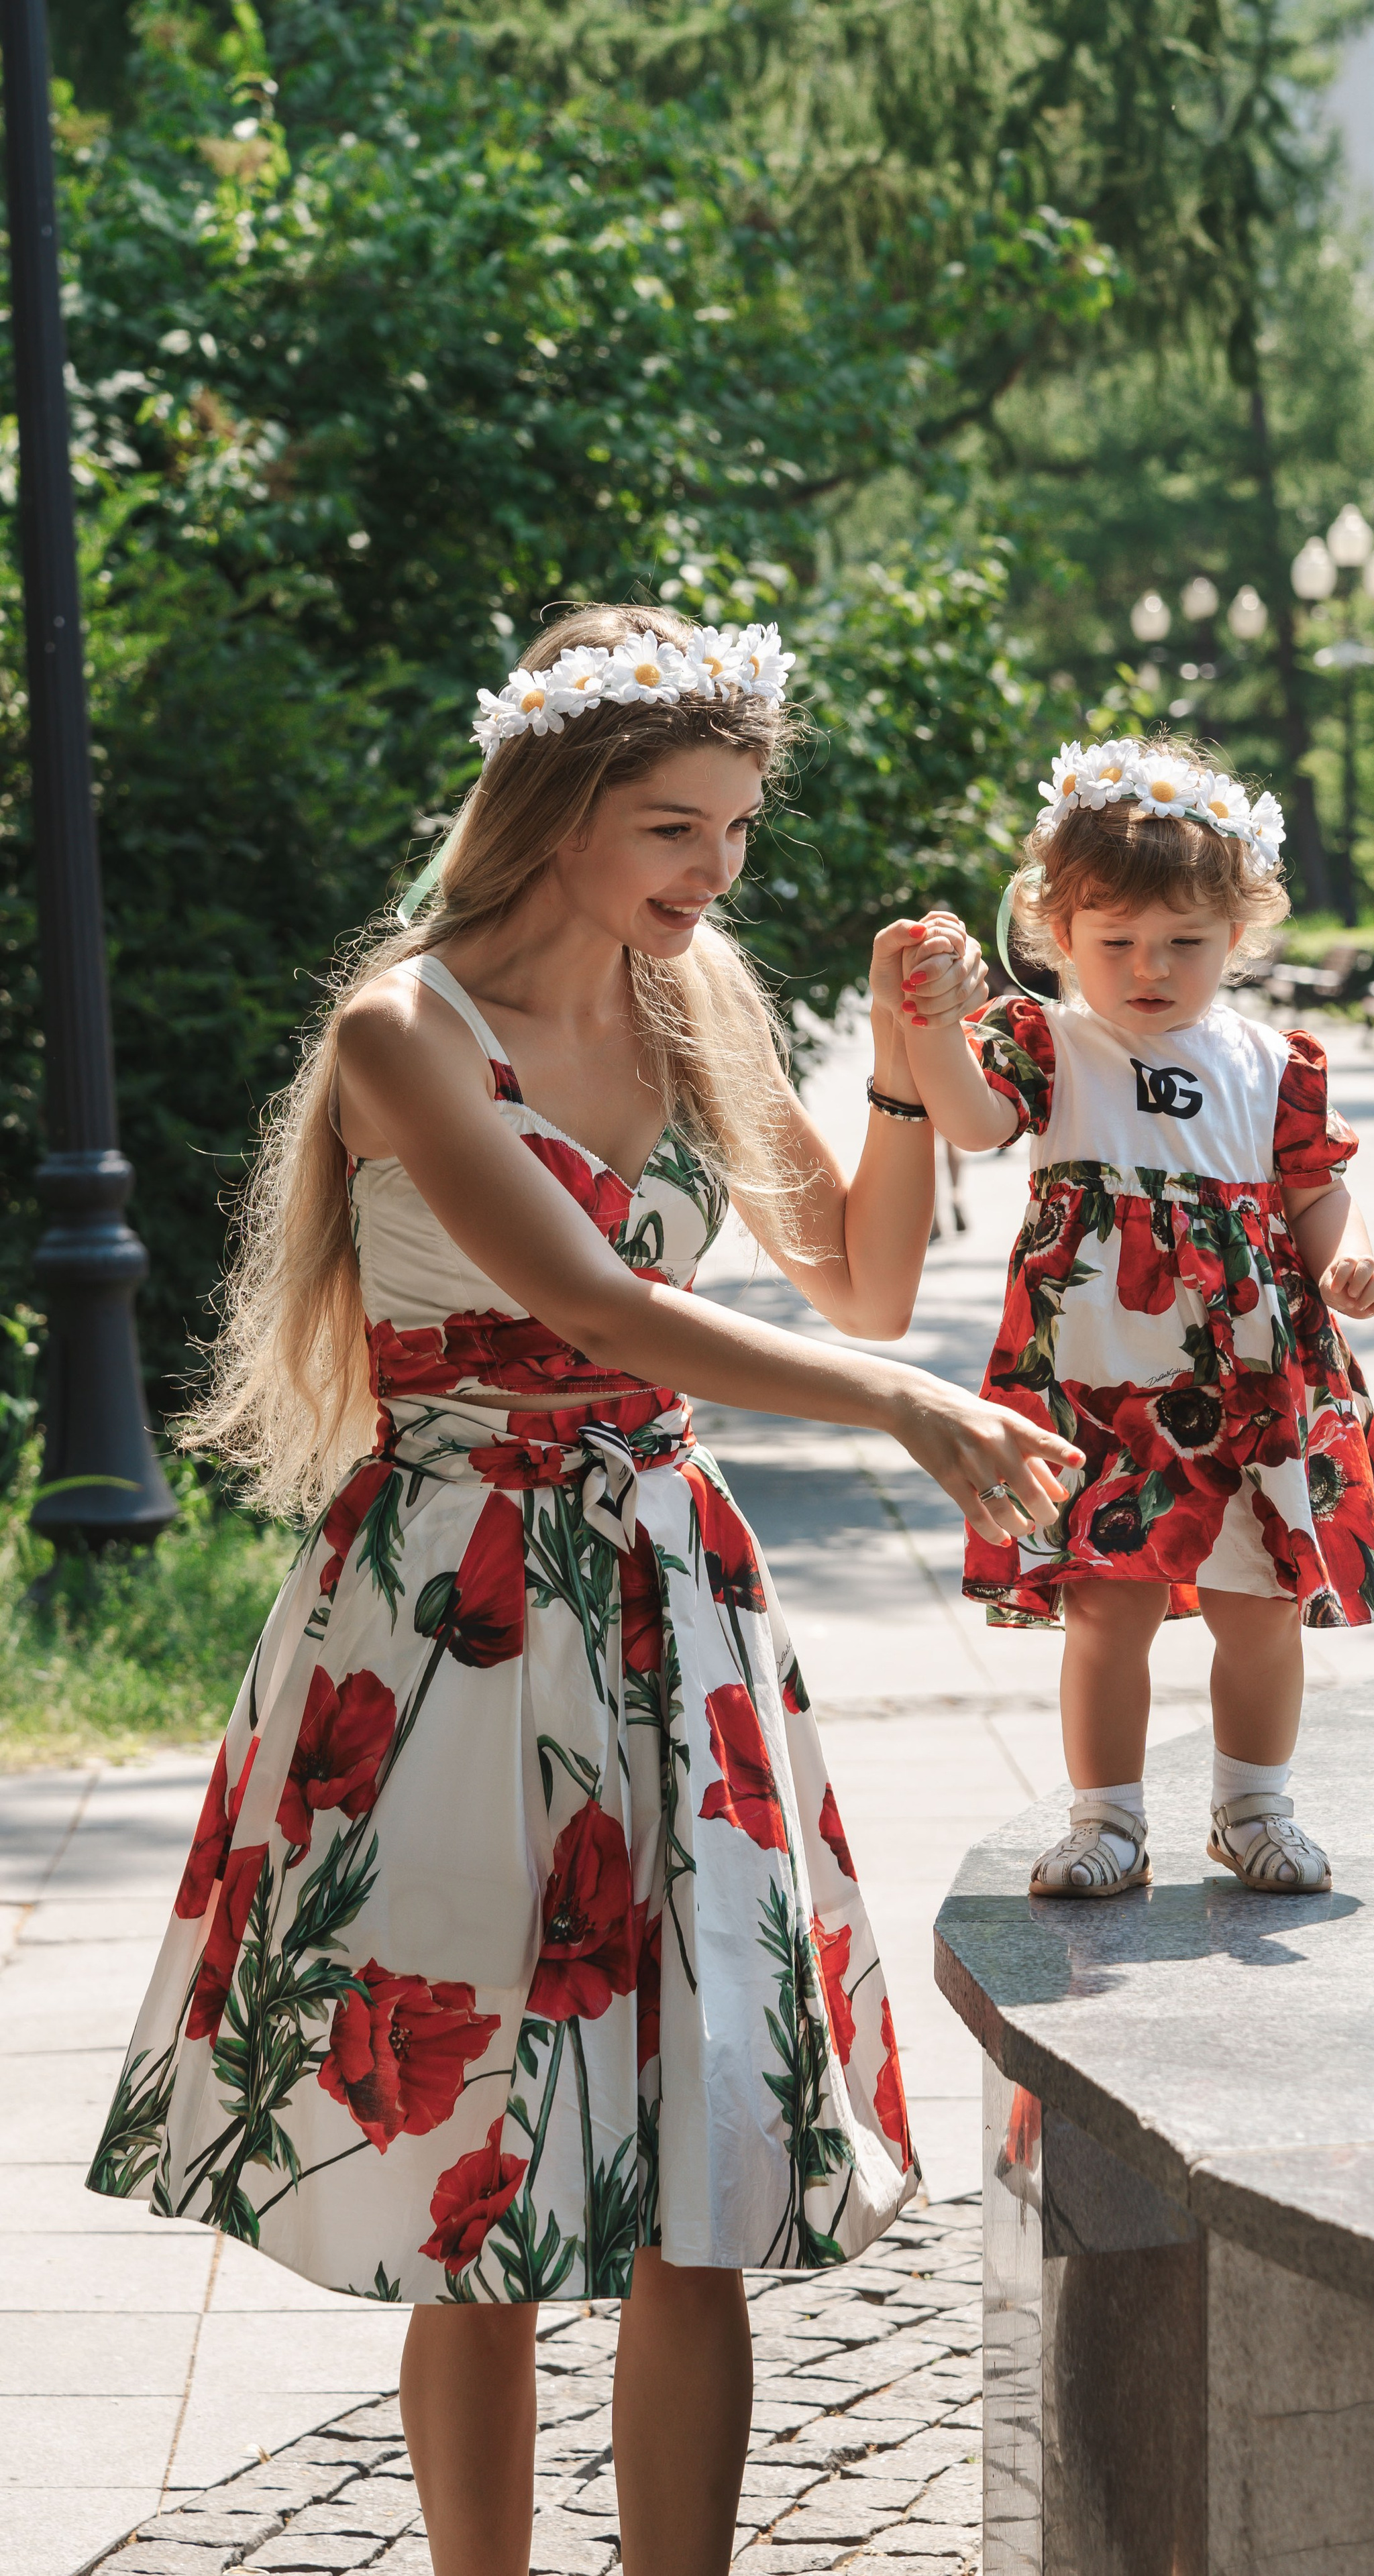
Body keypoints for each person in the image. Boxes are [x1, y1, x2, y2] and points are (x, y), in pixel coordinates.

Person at [85, 606, 1081, 2576]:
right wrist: (902, 1410)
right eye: (674, 828)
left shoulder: (694, 997)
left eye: (737, 828)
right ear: (555, 809)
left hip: (669, 1601)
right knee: (477, 2188)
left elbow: (864, 1284)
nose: (716, 871)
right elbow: (595, 1303)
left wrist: (902, 1075)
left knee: (701, 2169)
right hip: (447, 1617)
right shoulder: (403, 1031)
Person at [893, 732, 1374, 1901]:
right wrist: (929, 1023)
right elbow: (971, 1123)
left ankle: (1254, 1808)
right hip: (1096, 1386)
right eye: (1116, 940)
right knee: (1105, 1608)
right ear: (1058, 932)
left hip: (1251, 1383)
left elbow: (1317, 1192)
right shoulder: (1053, 1045)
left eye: (1186, 942)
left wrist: (1350, 1261)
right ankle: (1107, 1822)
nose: (1150, 967)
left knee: (1260, 1609)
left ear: (1240, 934)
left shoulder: (1273, 1063)